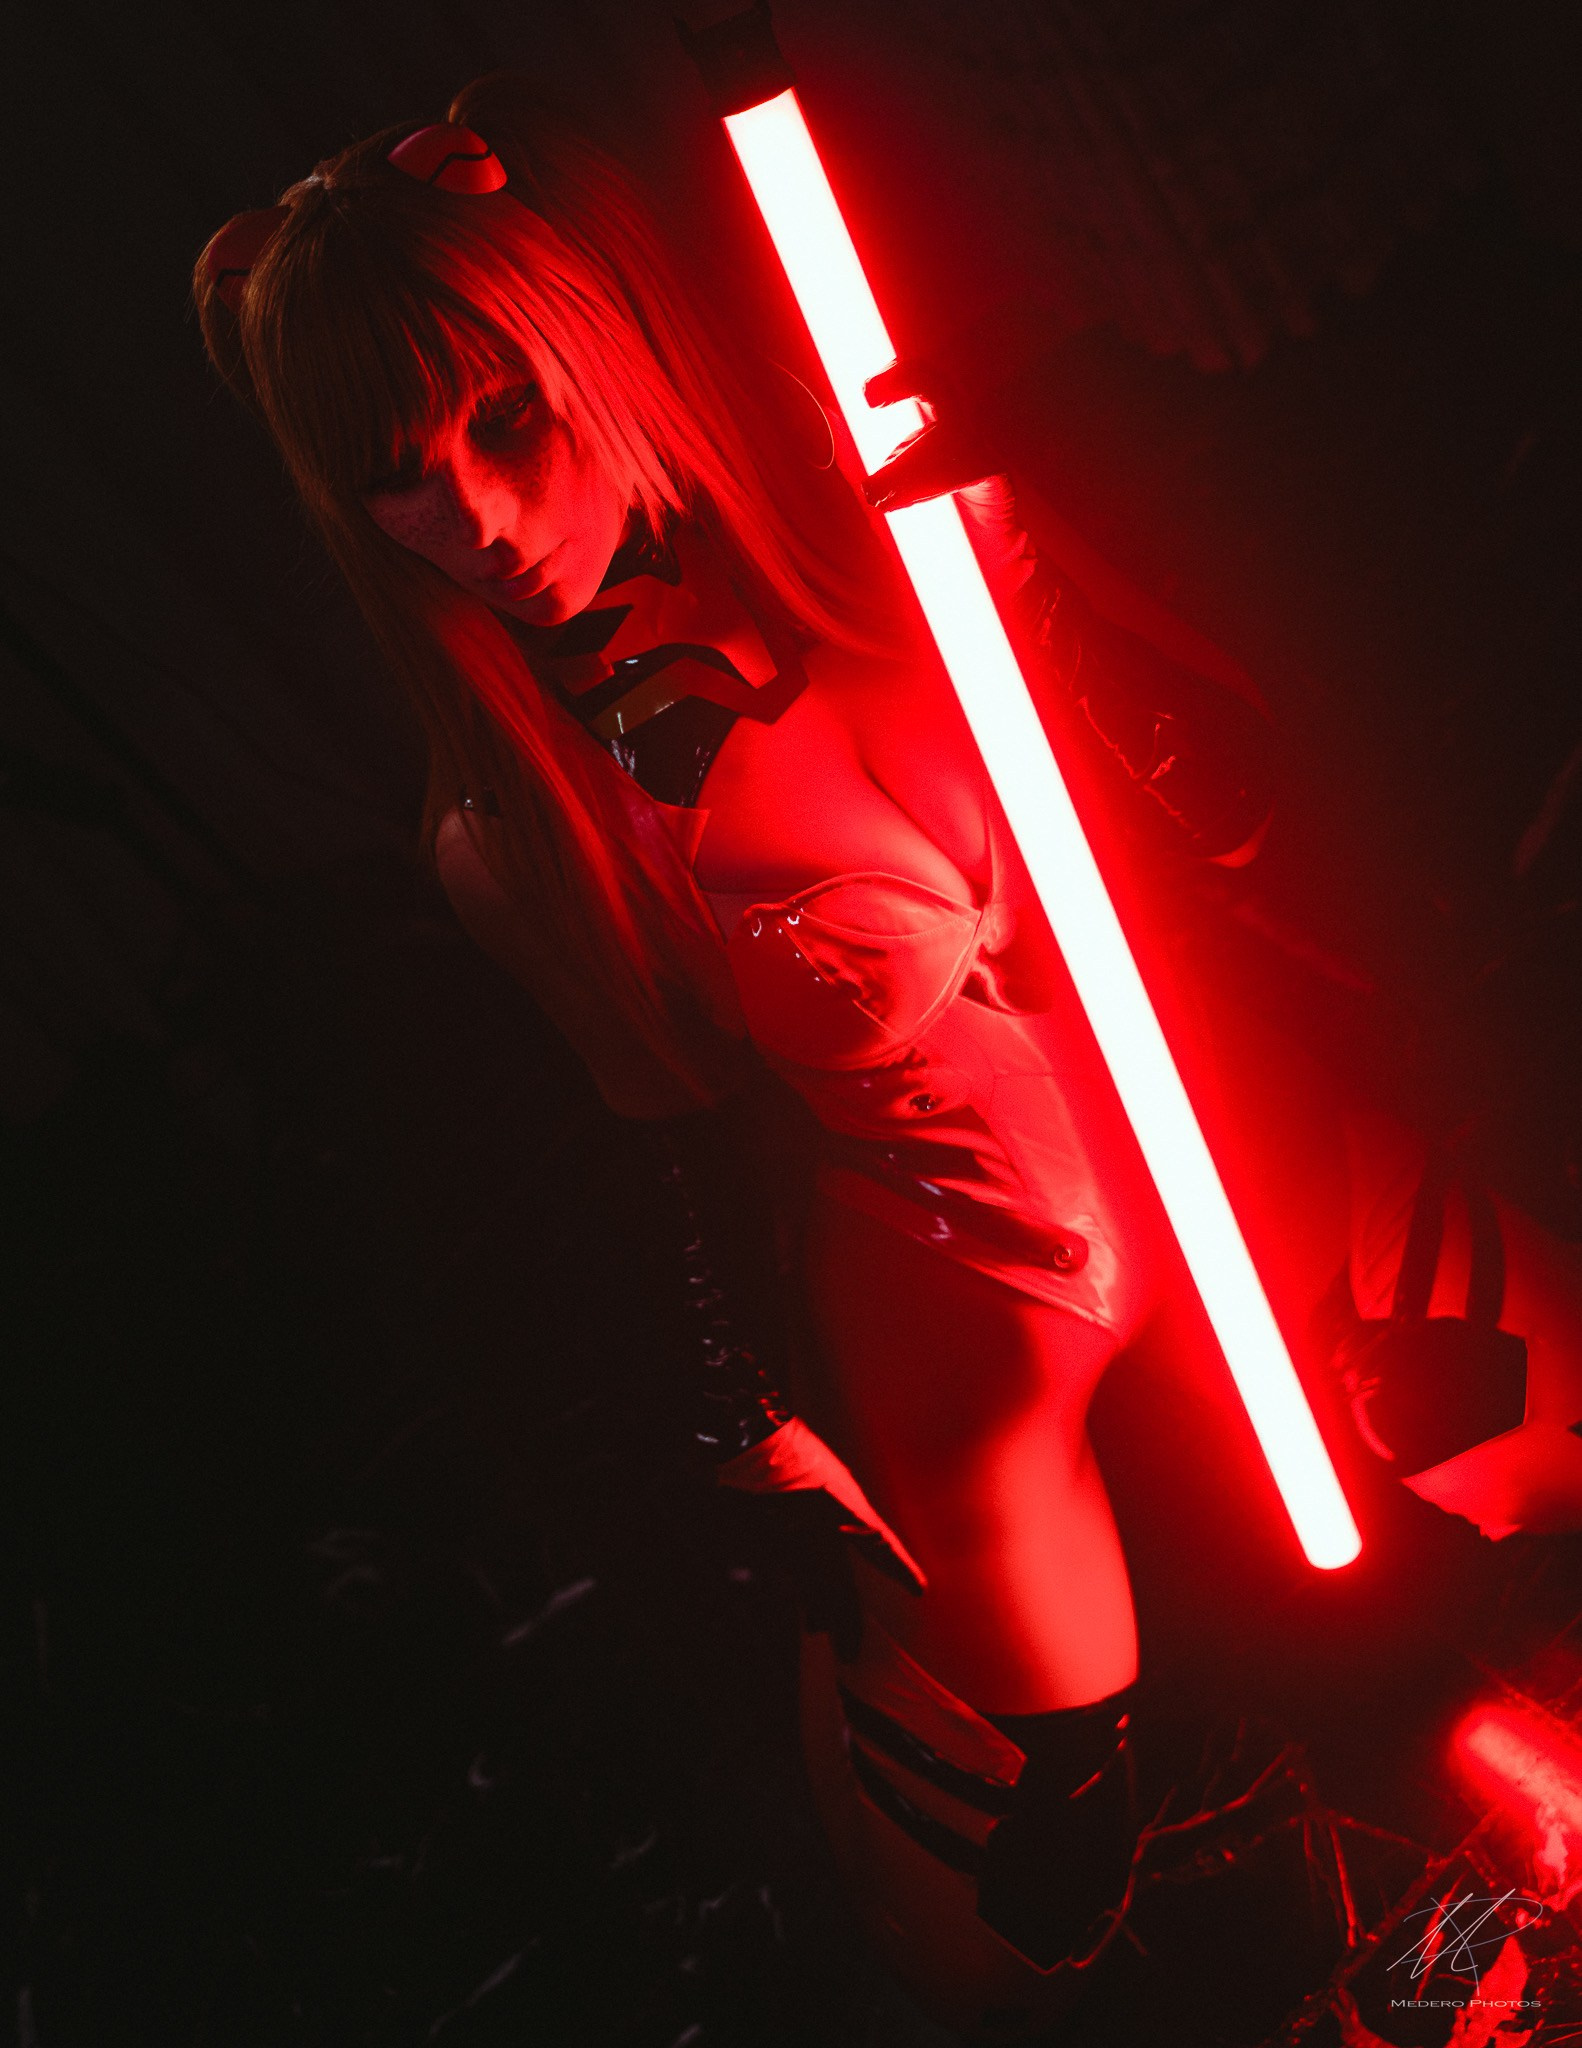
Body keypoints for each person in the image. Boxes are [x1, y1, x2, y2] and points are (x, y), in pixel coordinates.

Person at [195, 74, 1582, 2041]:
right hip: (965, 1260)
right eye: (396, 476)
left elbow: (1250, 820)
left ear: (604, 354)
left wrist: (1028, 586)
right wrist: (762, 1437)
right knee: (1020, 1893)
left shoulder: (895, 549)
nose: (479, 520)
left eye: (505, 416)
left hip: (1223, 1136)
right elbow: (679, 1145)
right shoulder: (520, 834)